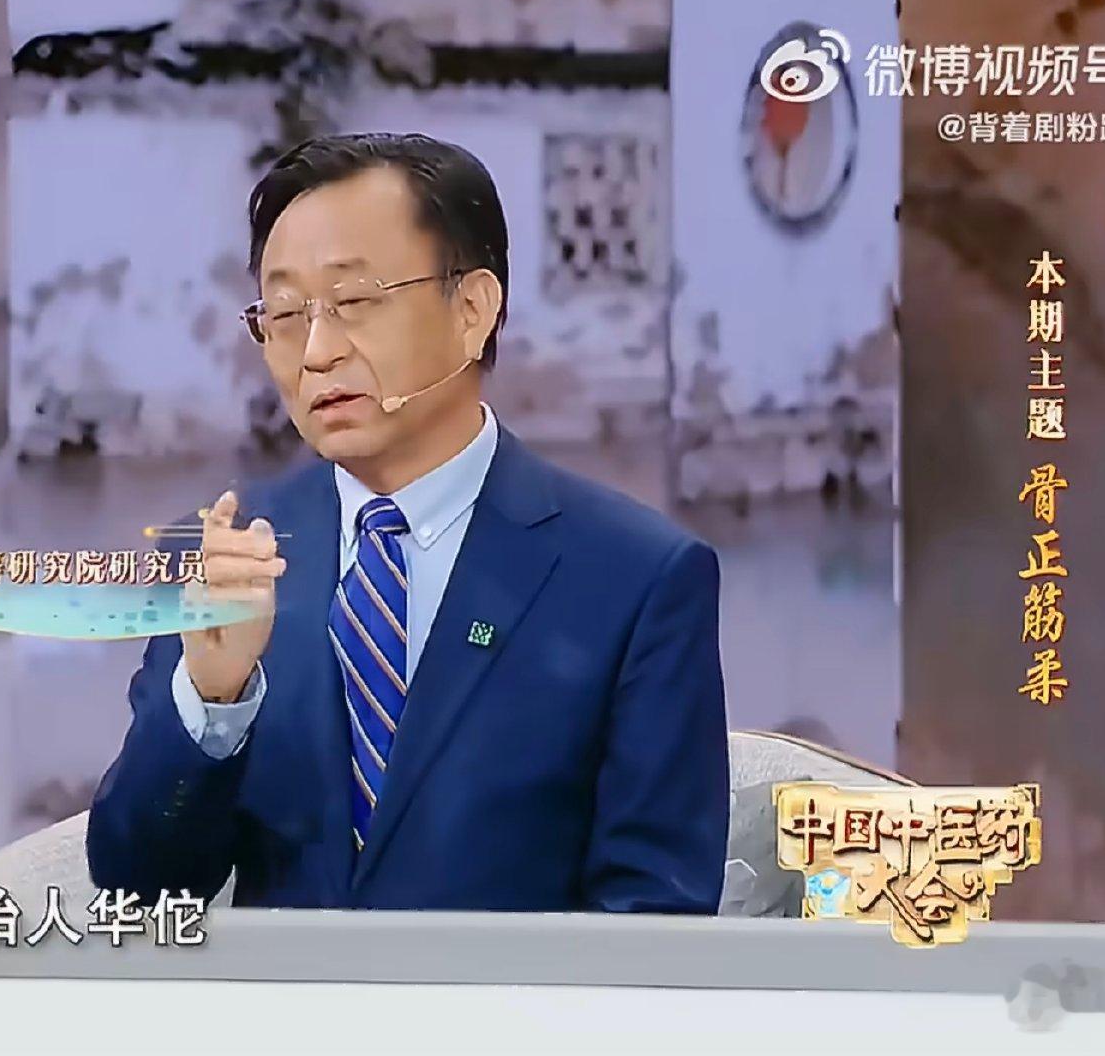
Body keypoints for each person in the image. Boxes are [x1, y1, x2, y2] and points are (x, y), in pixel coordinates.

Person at [85, 133, 728, 912]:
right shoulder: (225, 558)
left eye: (354, 302)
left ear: (472, 311)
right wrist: (212, 702)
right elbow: (137, 886)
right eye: (283, 314)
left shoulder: (636, 578)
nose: (316, 352)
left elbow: (655, 923)